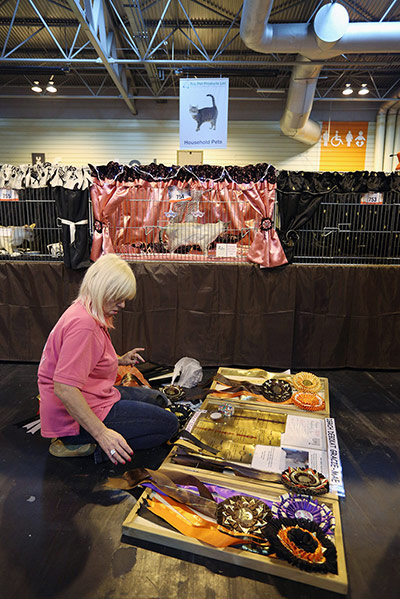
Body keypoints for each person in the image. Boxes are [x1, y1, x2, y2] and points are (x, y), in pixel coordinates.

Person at [38, 254, 178, 464]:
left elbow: (87, 358)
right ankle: (84, 444)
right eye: (117, 297)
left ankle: (85, 438)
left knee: (158, 400)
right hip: (75, 417)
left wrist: (119, 360)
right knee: (169, 425)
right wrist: (102, 433)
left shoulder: (85, 311)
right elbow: (64, 388)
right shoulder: (84, 326)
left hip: (95, 395)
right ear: (102, 289)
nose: (122, 305)